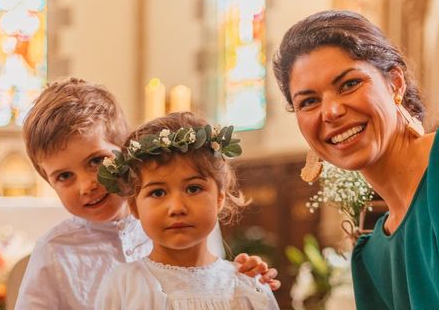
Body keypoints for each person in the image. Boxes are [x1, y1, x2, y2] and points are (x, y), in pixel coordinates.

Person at [272, 10, 439, 310]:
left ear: (395, 83)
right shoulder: (372, 257)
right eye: (309, 101)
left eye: (349, 84)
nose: (332, 112)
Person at [15, 78, 278, 309]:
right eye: (64, 176)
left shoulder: (183, 220)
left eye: (96, 161)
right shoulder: (55, 251)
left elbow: (211, 281)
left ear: (126, 152)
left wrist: (244, 276)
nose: (86, 185)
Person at [94, 112, 280, 310]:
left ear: (219, 198)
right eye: (157, 193)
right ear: (134, 207)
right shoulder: (123, 284)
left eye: (193, 189)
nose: (176, 208)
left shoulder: (248, 284)